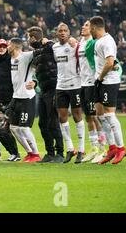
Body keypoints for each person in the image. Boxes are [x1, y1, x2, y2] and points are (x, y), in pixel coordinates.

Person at [90, 16, 126, 165]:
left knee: (110, 116)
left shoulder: (107, 41)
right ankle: (112, 148)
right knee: (100, 116)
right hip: (100, 81)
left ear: (94, 28)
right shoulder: (99, 41)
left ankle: (121, 148)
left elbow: (110, 63)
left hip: (108, 82)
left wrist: (99, 78)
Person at [27, 26, 64, 163]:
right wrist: (36, 84)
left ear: (33, 37)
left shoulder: (50, 47)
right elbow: (38, 71)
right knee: (42, 123)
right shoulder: (36, 52)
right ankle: (50, 153)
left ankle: (60, 153)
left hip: (54, 88)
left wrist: (48, 42)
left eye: (28, 37)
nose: (27, 40)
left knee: (53, 122)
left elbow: (58, 49)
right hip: (43, 90)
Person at [52, 23, 85, 163]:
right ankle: (70, 149)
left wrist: (76, 43)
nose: (63, 33)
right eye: (60, 31)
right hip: (61, 86)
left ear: (69, 33)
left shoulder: (74, 45)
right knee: (62, 117)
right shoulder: (54, 47)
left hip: (75, 85)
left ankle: (81, 150)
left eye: (65, 31)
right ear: (56, 33)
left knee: (77, 115)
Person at [77, 21, 106, 163]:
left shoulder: (94, 42)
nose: (83, 27)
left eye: (86, 25)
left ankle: (103, 149)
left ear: (92, 28)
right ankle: (94, 149)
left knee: (95, 116)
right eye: (83, 25)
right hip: (82, 83)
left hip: (91, 83)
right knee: (88, 117)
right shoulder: (81, 42)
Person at [7, 38, 41, 163]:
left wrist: (36, 81)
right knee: (13, 128)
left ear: (15, 46)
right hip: (16, 97)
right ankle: (29, 153)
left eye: (9, 44)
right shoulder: (10, 59)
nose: (7, 46)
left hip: (27, 97)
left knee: (24, 128)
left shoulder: (26, 56)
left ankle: (36, 154)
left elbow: (40, 54)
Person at [0, 38, 20, 161]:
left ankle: (26, 153)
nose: (2, 48)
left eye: (4, 46)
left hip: (12, 100)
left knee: (11, 128)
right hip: (1, 101)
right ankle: (13, 153)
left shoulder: (11, 59)